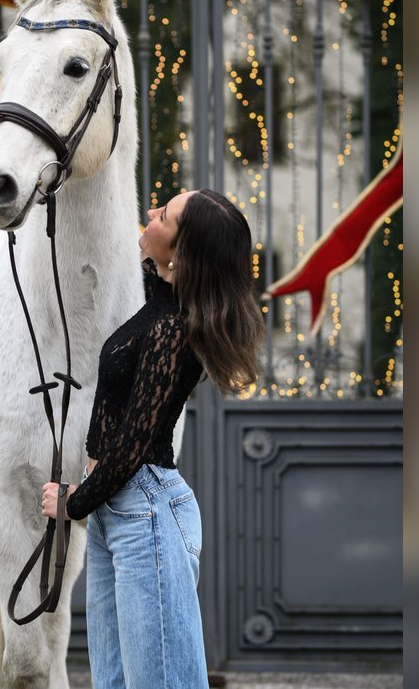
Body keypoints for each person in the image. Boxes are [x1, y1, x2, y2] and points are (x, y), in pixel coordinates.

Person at [41, 188, 265, 688]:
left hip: (142, 510)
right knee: (116, 681)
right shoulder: (167, 303)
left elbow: (133, 442)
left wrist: (75, 502)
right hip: (117, 513)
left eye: (163, 214)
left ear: (182, 254)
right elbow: (147, 268)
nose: (150, 212)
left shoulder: (174, 333)